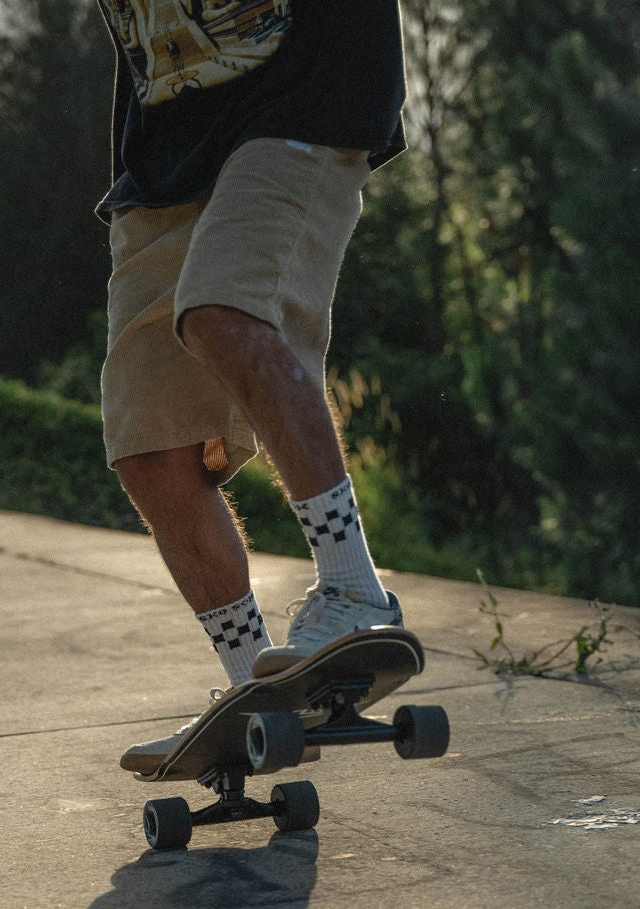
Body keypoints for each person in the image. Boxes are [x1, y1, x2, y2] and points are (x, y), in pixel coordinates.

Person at [95, 1, 409, 769]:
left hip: (304, 92)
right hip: (165, 148)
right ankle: (253, 696)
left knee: (225, 311)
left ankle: (353, 588)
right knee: (148, 449)